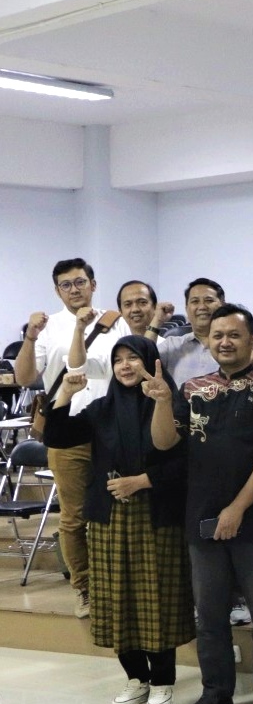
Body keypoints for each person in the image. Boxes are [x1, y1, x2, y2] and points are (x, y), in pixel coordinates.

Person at [149, 303, 253, 704]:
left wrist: (237, 509)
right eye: (218, 335)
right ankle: (216, 692)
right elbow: (164, 443)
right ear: (208, 341)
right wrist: (162, 402)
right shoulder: (191, 388)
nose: (225, 342)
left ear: (252, 340)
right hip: (201, 516)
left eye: (234, 335)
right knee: (210, 615)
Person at [44, 335, 193, 704]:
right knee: (116, 599)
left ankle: (162, 681)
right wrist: (65, 392)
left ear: (151, 361)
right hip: (109, 517)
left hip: (156, 515)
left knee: (156, 600)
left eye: (133, 358)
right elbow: (56, 436)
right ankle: (136, 678)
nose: (125, 366)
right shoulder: (101, 408)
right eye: (119, 359)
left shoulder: (172, 401)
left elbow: (185, 461)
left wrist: (144, 481)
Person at [13, 257, 127, 619]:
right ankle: (84, 588)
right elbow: (24, 377)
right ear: (57, 290)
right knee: (74, 517)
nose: (74, 289)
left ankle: (116, 586)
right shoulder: (47, 327)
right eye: (66, 284)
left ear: (93, 284)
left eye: (80, 282)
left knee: (117, 512)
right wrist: (30, 337)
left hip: (112, 428)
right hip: (66, 428)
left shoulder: (115, 321)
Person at [149, 278, 225, 383]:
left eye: (209, 300)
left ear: (223, 306)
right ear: (186, 309)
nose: (202, 307)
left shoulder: (232, 345)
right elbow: (143, 359)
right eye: (195, 301)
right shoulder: (172, 345)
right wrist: (157, 320)